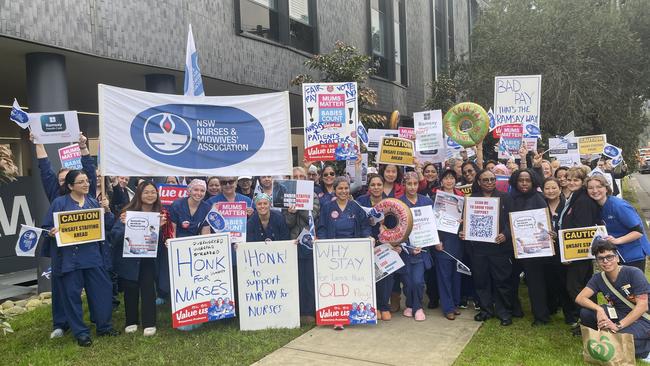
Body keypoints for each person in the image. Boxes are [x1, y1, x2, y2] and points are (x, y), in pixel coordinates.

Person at [31, 133, 97, 339]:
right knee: (61, 288)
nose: (64, 181)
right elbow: (44, 167)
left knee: (93, 285)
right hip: (62, 250)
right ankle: (60, 324)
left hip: (86, 249)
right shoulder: (56, 196)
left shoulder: (88, 193)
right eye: (62, 179)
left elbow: (90, 171)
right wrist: (38, 142)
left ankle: (99, 318)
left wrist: (84, 147)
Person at [42, 170, 118, 346]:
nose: (86, 184)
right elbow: (46, 227)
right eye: (81, 182)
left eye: (87, 181)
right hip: (70, 259)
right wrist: (52, 233)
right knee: (71, 296)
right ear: (70, 186)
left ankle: (104, 327)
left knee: (102, 293)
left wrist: (106, 212)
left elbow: (106, 226)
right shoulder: (59, 203)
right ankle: (81, 332)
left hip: (93, 257)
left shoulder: (92, 202)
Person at [111, 181, 170, 337]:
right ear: (139, 194)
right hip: (130, 258)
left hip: (149, 258)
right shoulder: (127, 212)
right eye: (146, 192)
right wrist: (124, 225)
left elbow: (163, 240)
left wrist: (161, 228)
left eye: (153, 192)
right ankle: (131, 321)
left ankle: (149, 322)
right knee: (130, 289)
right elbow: (114, 236)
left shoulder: (161, 213)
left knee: (148, 289)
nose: (150, 195)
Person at [575, 240, 650, 361]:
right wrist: (599, 309)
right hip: (619, 314)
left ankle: (645, 348)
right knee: (586, 313)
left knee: (620, 336)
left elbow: (642, 306)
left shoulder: (633, 273)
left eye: (609, 257)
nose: (605, 261)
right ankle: (600, 339)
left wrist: (618, 326)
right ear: (597, 261)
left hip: (643, 319)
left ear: (617, 258)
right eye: (601, 258)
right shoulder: (598, 278)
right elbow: (580, 298)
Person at [318, 176, 372, 330]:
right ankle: (338, 318)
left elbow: (365, 226)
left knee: (351, 283)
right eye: (340, 188)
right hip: (334, 254)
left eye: (346, 188)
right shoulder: (328, 207)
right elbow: (321, 228)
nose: (343, 191)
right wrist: (322, 245)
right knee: (337, 285)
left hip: (352, 255)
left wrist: (367, 237)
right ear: (334, 190)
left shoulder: (356, 207)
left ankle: (354, 315)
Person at [464, 169, 515, 326]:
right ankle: (486, 310)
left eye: (492, 179)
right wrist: (464, 232)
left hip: (499, 248)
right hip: (479, 249)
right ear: (479, 182)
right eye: (485, 180)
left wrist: (505, 234)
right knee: (481, 281)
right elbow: (465, 220)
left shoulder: (505, 197)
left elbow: (511, 220)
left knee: (501, 281)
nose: (489, 182)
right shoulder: (472, 199)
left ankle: (503, 312)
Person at [558, 166, 601, 332]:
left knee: (576, 288)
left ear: (583, 182)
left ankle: (591, 320)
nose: (571, 182)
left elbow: (582, 233)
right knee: (584, 287)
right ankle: (588, 321)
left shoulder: (583, 201)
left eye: (576, 180)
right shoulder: (575, 197)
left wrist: (570, 254)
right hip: (576, 254)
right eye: (569, 179)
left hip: (580, 255)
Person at [509, 169, 554, 326]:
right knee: (511, 280)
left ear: (533, 182)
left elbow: (545, 223)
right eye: (521, 180)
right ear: (515, 181)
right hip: (514, 247)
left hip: (534, 250)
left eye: (527, 180)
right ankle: (515, 309)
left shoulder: (539, 198)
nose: (524, 183)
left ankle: (541, 316)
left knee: (536, 283)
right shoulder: (510, 198)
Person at [167, 179, 212, 331]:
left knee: (196, 281)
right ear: (189, 191)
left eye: (202, 191)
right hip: (179, 247)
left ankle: (197, 315)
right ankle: (181, 314)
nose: (199, 193)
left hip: (196, 247)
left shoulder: (207, 207)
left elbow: (206, 231)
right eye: (196, 190)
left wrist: (205, 250)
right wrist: (172, 244)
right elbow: (171, 229)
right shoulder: (177, 205)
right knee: (181, 282)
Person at [586, 174, 650, 271]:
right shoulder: (595, 207)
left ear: (606, 188)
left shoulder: (618, 206)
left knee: (634, 285)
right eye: (590, 188)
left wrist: (616, 241)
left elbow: (638, 232)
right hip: (616, 255)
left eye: (599, 187)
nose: (595, 191)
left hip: (632, 254)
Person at [284, 167, 320, 323]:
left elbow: (314, 215)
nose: (298, 178)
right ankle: (297, 311)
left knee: (309, 279)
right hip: (293, 243)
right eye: (295, 176)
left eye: (301, 176)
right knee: (296, 278)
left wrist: (301, 207)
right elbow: (287, 223)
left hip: (309, 242)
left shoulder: (313, 195)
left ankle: (310, 311)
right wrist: (291, 213)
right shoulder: (286, 196)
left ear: (307, 179)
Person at [357, 174, 395, 321]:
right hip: (366, 242)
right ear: (369, 187)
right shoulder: (361, 201)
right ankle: (374, 306)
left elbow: (396, 224)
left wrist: (384, 226)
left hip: (385, 244)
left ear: (383, 186)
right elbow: (358, 221)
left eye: (379, 184)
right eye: (373, 185)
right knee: (369, 277)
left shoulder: (390, 202)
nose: (376, 187)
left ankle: (384, 306)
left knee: (386, 276)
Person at [399, 172, 434, 321]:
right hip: (405, 249)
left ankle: (418, 306)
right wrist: (406, 246)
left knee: (418, 281)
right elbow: (396, 227)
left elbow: (432, 226)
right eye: (409, 184)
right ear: (404, 185)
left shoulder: (427, 202)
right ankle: (409, 304)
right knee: (407, 281)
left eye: (415, 184)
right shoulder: (398, 203)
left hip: (421, 248)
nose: (412, 187)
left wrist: (425, 242)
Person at [430, 170, 464, 320]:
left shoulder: (462, 198)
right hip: (442, 241)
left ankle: (455, 303)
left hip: (458, 240)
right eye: (446, 178)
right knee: (444, 276)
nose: (449, 181)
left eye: (452, 178)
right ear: (441, 181)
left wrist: (463, 223)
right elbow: (431, 222)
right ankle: (448, 307)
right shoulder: (434, 198)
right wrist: (436, 240)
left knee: (456, 275)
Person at [542, 177, 575, 325]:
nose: (550, 191)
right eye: (547, 188)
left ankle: (570, 314)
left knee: (564, 283)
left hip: (562, 252)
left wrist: (559, 233)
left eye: (553, 188)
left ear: (560, 189)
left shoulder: (567, 206)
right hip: (544, 252)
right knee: (548, 282)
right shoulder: (539, 207)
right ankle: (551, 308)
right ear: (542, 191)